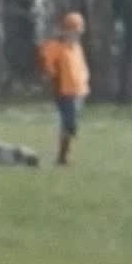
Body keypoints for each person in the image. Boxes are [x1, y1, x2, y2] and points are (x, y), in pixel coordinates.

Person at [36, 11, 90, 166]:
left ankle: (64, 156)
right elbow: (45, 59)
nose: (77, 34)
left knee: (71, 125)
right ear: (66, 30)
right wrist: (50, 73)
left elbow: (81, 67)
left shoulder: (77, 48)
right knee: (69, 124)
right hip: (64, 91)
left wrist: (85, 82)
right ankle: (63, 157)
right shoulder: (56, 46)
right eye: (74, 31)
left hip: (79, 91)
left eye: (79, 31)